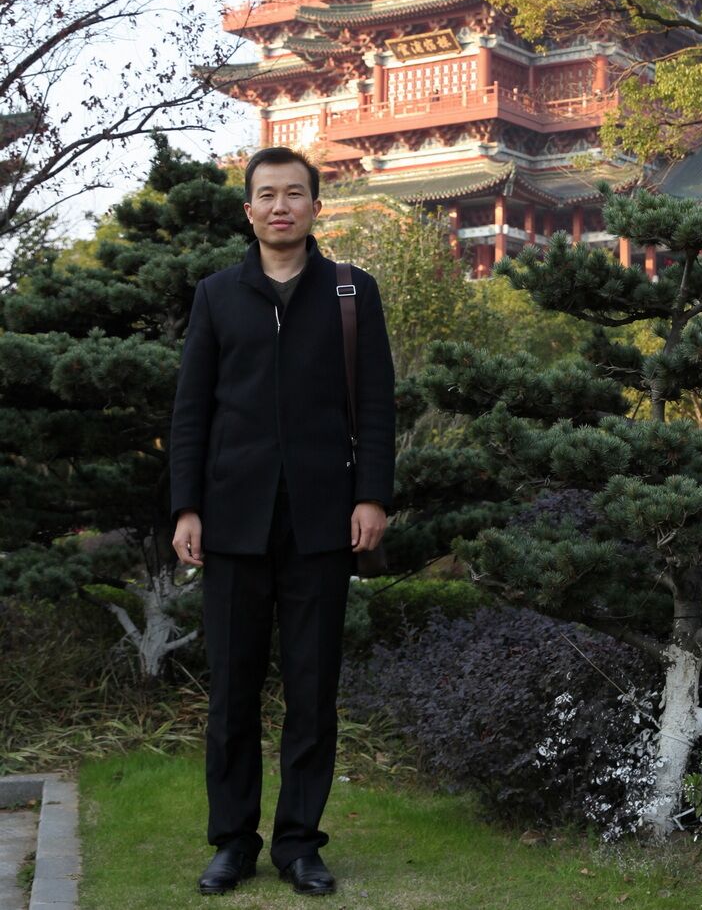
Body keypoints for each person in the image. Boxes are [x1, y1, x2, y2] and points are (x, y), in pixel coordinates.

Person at [170, 146, 395, 897]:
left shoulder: (350, 292)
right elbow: (191, 411)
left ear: (315, 206)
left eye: (294, 194)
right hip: (232, 520)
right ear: (248, 210)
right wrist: (187, 506)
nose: (280, 207)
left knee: (312, 690)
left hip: (322, 521)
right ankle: (232, 841)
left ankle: (300, 844)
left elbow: (377, 404)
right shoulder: (216, 295)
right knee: (232, 693)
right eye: (266, 195)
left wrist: (372, 495)